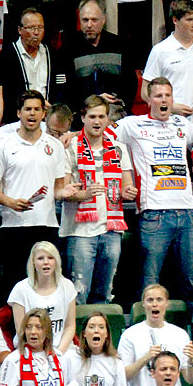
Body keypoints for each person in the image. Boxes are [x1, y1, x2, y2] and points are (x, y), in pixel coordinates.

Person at [112, 77, 193, 303]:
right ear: (149, 99)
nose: (164, 100)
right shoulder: (132, 124)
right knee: (149, 281)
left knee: (188, 281)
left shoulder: (183, 124)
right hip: (154, 214)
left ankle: (187, 333)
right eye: (159, 95)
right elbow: (103, 137)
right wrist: (124, 180)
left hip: (188, 213)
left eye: (168, 95)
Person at [0, 91, 73, 287]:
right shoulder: (3, 146)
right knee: (15, 285)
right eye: (27, 109)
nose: (32, 114)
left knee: (47, 285)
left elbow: (57, 189)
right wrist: (10, 202)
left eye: (37, 110)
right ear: (18, 113)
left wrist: (65, 193)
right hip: (14, 227)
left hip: (47, 225)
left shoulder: (55, 146)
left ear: (43, 114)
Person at [60, 96, 134, 305]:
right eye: (92, 116)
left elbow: (127, 184)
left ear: (108, 119)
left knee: (105, 294)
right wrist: (83, 194)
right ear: (82, 118)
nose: (97, 121)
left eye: (102, 116)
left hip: (111, 230)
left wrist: (128, 191)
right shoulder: (70, 146)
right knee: (79, 294)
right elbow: (64, 190)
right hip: (80, 231)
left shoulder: (119, 148)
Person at [117, 283, 193, 386]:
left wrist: (191, 360)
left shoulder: (179, 334)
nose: (154, 304)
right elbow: (123, 376)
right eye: (150, 300)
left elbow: (191, 379)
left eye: (159, 300)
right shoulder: (130, 335)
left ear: (166, 303)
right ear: (143, 304)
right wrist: (146, 358)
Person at [142, 0, 193, 130]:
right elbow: (145, 92)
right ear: (175, 20)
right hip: (169, 121)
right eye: (189, 20)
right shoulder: (160, 50)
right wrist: (169, 106)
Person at [0, 9, 72, 115]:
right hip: (18, 118)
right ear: (20, 30)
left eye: (40, 28)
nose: (36, 33)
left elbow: (61, 89)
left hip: (48, 117)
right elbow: (6, 94)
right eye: (31, 28)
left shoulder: (52, 55)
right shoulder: (7, 56)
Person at [65, 0, 129, 108]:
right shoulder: (68, 49)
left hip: (115, 109)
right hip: (83, 110)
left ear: (103, 20)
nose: (89, 25)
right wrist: (95, 99)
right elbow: (66, 90)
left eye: (94, 20)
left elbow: (130, 83)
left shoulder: (119, 45)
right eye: (85, 20)